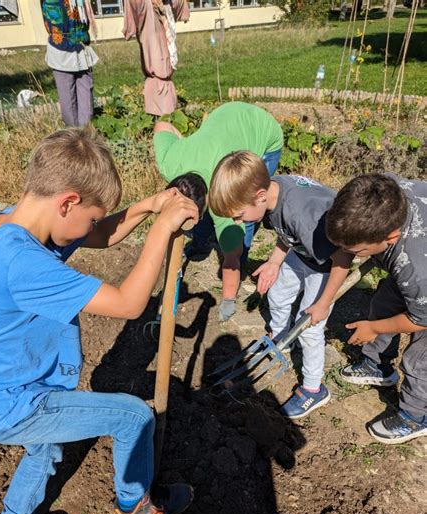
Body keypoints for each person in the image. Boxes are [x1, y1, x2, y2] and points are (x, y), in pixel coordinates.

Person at [0, 127, 199, 514]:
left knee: (45, 447)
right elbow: (128, 304)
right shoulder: (24, 263)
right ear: (67, 201)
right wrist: (162, 230)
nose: (90, 227)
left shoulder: (7, 223)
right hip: (16, 402)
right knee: (133, 416)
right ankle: (134, 502)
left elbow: (101, 235)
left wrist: (148, 206)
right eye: (88, 216)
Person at [209, 151, 353, 419]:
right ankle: (281, 339)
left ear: (260, 195)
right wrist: (275, 261)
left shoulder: (303, 217)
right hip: (303, 252)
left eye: (239, 215)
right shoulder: (274, 192)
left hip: (326, 266)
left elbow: (343, 257)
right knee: (277, 292)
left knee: (309, 326)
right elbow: (286, 231)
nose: (237, 223)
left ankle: (313, 389)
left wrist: (323, 303)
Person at [154, 101, 284, 322]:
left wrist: (228, 299)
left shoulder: (225, 206)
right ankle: (200, 242)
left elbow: (229, 261)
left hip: (261, 130)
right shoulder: (169, 162)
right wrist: (190, 145)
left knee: (246, 212)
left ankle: (243, 253)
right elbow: (162, 126)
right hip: (224, 118)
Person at [323, 173, 427, 444]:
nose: (348, 253)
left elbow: (420, 320)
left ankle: (415, 417)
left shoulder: (414, 269)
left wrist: (375, 328)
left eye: (357, 250)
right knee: (384, 301)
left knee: (420, 359)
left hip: (424, 286)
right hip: (412, 264)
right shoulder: (379, 194)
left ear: (390, 237)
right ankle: (378, 366)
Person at [41, 0, 98, 126]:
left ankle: (85, 137)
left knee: (86, 98)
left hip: (82, 46)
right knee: (68, 102)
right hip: (61, 49)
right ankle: (72, 140)